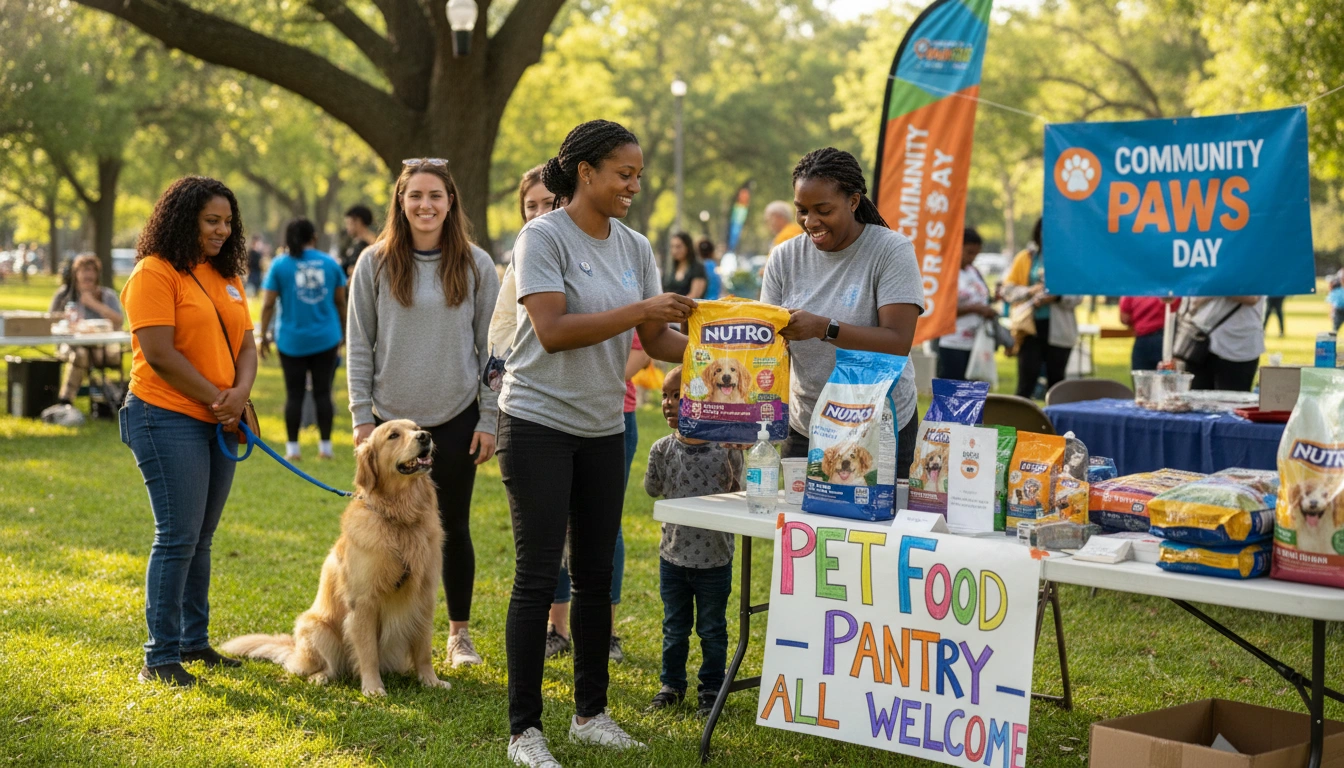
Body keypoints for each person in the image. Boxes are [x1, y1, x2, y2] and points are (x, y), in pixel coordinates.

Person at [498, 119, 692, 766]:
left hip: (604, 429)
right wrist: (642, 312)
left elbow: (659, 342)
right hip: (536, 425)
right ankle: (525, 730)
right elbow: (551, 329)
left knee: (593, 576)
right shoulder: (542, 236)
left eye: (638, 174)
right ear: (586, 173)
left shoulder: (635, 246)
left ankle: (591, 714)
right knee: (535, 576)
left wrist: (727, 357)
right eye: (624, 174)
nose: (634, 185)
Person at [346, 158, 500, 670]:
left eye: (435, 195)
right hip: (388, 423)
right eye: (415, 196)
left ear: (450, 201)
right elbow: (359, 346)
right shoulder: (374, 262)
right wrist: (362, 419)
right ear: (400, 201)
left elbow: (492, 351)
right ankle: (389, 634)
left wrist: (488, 418)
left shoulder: (476, 264)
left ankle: (457, 636)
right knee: (385, 528)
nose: (425, 205)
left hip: (454, 419)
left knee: (449, 525)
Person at [119, 176, 256, 687]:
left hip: (219, 417)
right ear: (184, 219)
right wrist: (220, 400)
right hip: (164, 415)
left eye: (227, 222)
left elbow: (246, 345)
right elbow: (159, 354)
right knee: (177, 537)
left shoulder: (225, 274)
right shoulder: (153, 273)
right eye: (211, 221)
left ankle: (194, 643)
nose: (222, 231)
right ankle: (160, 656)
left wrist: (238, 395)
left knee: (201, 538)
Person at [760, 147, 925, 476]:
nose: (810, 222)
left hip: (879, 422)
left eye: (823, 210)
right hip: (807, 424)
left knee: (877, 526)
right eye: (802, 210)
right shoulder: (784, 258)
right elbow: (767, 344)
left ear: (853, 201)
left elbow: (897, 341)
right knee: (805, 526)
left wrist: (824, 328)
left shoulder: (890, 251)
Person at [644, 366, 740, 717]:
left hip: (715, 561)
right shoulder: (661, 448)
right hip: (672, 558)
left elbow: (739, 491)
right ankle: (671, 685)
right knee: (675, 628)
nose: (669, 404)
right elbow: (652, 489)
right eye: (665, 397)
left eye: (678, 397)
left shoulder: (726, 452)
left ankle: (712, 689)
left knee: (713, 630)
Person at [257, 218, 347, 461]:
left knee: (294, 395)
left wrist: (264, 335)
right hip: (326, 338)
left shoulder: (280, 265)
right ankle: (325, 448)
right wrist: (345, 332)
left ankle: (293, 450)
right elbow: (340, 302)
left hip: (291, 341)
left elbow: (267, 305)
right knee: (323, 393)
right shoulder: (330, 263)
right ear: (314, 237)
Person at [1002, 218, 1080, 399]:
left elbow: (1078, 295)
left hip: (1059, 330)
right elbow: (1007, 290)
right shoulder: (1026, 257)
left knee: (1057, 383)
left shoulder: (1068, 259)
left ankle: (1055, 425)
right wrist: (1030, 291)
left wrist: (1057, 297)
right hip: (1029, 329)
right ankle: (1017, 423)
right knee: (1025, 382)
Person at [49, 253, 124, 405]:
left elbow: (119, 322)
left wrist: (93, 304)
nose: (87, 274)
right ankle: (108, 396)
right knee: (81, 354)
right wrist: (66, 319)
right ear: (75, 274)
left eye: (91, 270)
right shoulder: (65, 295)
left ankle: (65, 401)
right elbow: (49, 322)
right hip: (70, 346)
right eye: (83, 270)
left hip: (103, 348)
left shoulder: (106, 295)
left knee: (86, 354)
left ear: (97, 274)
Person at [935, 228, 995, 380]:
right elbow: (942, 309)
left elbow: (983, 297)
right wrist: (975, 309)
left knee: (972, 390)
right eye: (969, 252)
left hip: (976, 341)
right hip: (953, 341)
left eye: (976, 253)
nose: (973, 257)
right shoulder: (947, 272)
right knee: (953, 389)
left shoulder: (973, 271)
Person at [1181, 296, 1266, 391]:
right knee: (1196, 401)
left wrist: (1214, 290)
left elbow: (1252, 297)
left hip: (1239, 347)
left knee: (1232, 402)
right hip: (1201, 341)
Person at [1120, 295, 1180, 372]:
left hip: (1142, 340)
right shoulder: (1171, 286)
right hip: (1166, 338)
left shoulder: (1133, 287)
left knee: (1141, 379)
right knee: (1167, 378)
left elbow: (1124, 318)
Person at [662, 232, 706, 298]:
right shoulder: (670, 269)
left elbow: (694, 296)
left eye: (678, 247)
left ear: (688, 247)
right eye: (672, 247)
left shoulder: (697, 268)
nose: (674, 251)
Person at [341, 204, 375, 282]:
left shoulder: (370, 244)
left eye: (349, 223)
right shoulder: (355, 243)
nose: (347, 227)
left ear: (358, 222)